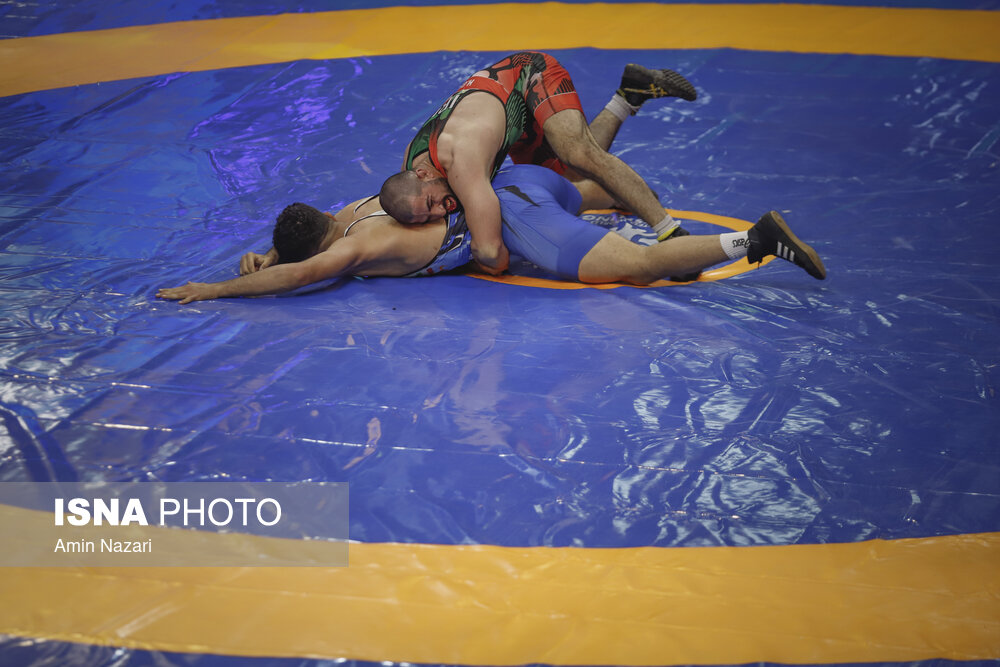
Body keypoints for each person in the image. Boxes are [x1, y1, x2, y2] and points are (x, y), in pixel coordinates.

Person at [156, 164, 825, 305]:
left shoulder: (353, 249)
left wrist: (214, 289)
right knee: (589, 183)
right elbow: (297, 245)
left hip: (516, 219)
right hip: (516, 180)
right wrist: (268, 251)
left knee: (639, 266)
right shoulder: (352, 208)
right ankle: (623, 104)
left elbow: (302, 271)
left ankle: (756, 240)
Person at [379, 52, 698, 274]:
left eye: (432, 203)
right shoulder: (412, 170)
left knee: (579, 153)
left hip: (529, 75)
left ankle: (671, 232)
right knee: (566, 179)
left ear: (424, 174)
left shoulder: (461, 163)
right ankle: (628, 95)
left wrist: (472, 263)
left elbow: (491, 254)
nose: (440, 212)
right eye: (427, 217)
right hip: (506, 116)